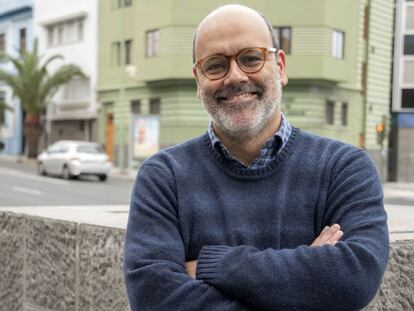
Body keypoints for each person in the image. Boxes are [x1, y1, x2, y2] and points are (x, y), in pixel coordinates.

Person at [124, 4, 389, 311]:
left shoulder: (344, 168)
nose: (235, 77)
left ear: (280, 67)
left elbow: (354, 277)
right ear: (198, 81)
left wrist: (211, 264)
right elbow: (153, 298)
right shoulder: (163, 177)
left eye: (251, 58)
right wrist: (308, 282)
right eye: (215, 65)